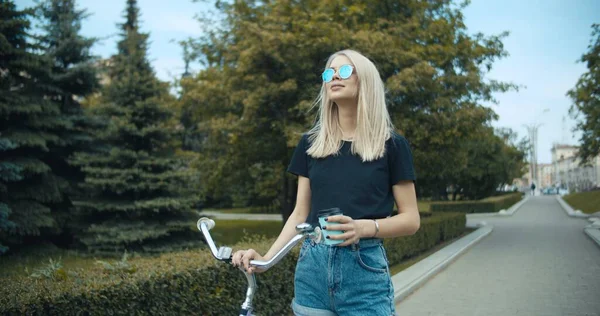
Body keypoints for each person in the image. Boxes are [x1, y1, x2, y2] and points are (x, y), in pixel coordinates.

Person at [231, 49, 420, 316]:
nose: (334, 78)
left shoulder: (392, 146)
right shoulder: (310, 144)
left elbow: (411, 219)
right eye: (329, 73)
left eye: (344, 71)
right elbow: (300, 215)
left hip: (364, 272)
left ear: (364, 80)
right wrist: (265, 260)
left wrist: (364, 227)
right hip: (312, 271)